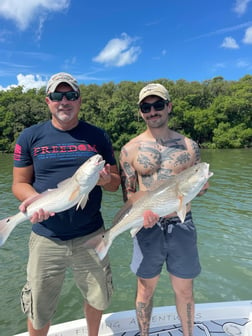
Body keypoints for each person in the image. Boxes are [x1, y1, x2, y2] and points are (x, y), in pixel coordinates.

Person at [12, 72, 120, 336]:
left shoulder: (98, 136)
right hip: (46, 237)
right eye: (57, 96)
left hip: (92, 235)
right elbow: (19, 183)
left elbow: (116, 182)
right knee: (39, 307)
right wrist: (33, 202)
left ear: (79, 100)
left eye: (70, 95)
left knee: (97, 298)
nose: (64, 101)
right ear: (48, 100)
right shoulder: (29, 137)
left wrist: (104, 180)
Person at [119, 83, 209, 336]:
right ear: (140, 112)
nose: (152, 111)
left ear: (169, 106)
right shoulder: (129, 149)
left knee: (185, 289)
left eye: (158, 105)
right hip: (147, 227)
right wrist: (139, 215)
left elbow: (200, 184)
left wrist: (202, 186)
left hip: (181, 224)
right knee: (145, 289)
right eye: (146, 107)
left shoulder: (189, 147)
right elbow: (128, 193)